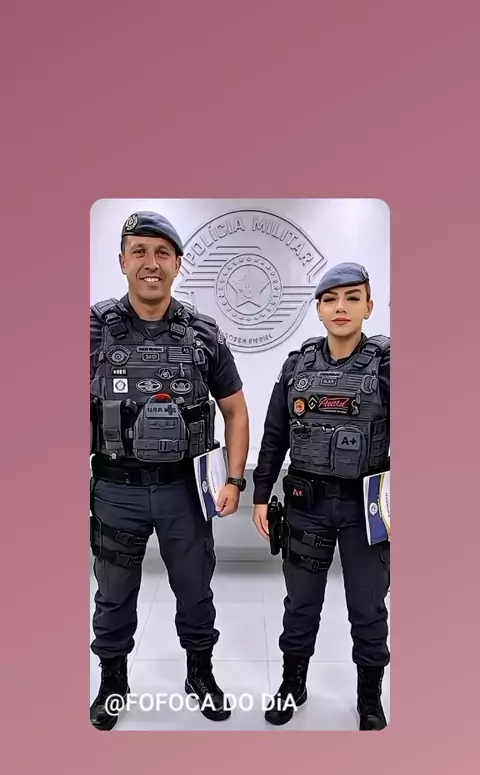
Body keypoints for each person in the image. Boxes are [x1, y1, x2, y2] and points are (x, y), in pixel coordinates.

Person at [90, 210, 249, 730]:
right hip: (116, 489)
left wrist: (234, 479)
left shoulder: (203, 333)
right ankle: (113, 682)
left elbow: (235, 410)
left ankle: (199, 675)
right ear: (122, 261)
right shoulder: (92, 330)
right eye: (139, 251)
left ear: (179, 263)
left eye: (162, 253)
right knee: (114, 595)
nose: (151, 263)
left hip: (186, 490)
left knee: (195, 590)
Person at [252, 262, 390, 729]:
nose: (341, 307)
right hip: (306, 503)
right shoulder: (297, 365)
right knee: (301, 601)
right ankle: (292, 683)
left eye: (353, 298)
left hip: (366, 507)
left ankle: (369, 698)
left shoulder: (388, 364)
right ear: (318, 309)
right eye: (330, 299)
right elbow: (275, 434)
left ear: (369, 306)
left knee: (367, 605)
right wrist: (261, 493)